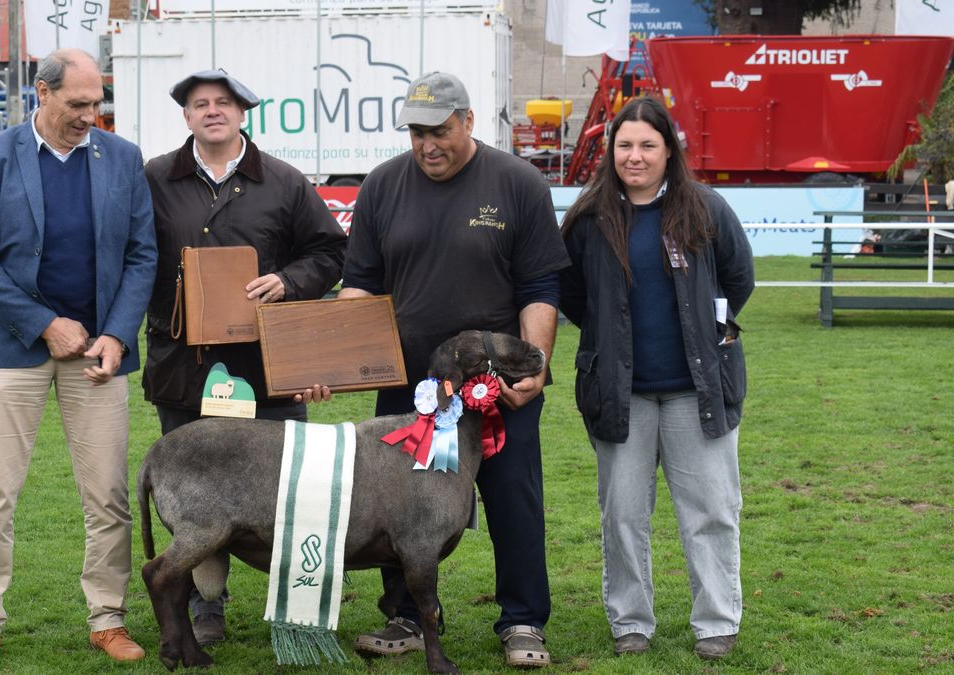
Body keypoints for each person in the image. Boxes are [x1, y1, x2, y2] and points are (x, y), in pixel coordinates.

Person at [301, 71, 570, 669]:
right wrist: (325, 361)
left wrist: (534, 370)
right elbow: (360, 286)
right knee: (399, 505)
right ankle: (407, 614)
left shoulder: (518, 183)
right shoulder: (382, 186)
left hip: (496, 388)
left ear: (468, 121)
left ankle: (523, 619)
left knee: (514, 501)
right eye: (417, 133)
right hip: (408, 386)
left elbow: (539, 288)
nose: (428, 145)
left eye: (440, 131)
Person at [0, 48, 158, 673]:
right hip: (12, 347)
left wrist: (117, 335)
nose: (90, 116)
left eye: (97, 104)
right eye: (77, 104)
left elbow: (141, 256)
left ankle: (108, 618)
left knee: (108, 497)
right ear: (41, 94)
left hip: (97, 354)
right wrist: (44, 324)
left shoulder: (123, 158)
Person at [141, 69, 347, 645]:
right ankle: (206, 604)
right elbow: (132, 255)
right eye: (200, 103)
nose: (212, 111)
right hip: (183, 368)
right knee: (196, 491)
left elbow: (331, 252)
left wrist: (288, 280)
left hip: (269, 369)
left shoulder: (284, 180)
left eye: (223, 103)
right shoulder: (154, 178)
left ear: (242, 112)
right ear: (186, 116)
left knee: (288, 488)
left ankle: (296, 607)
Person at [558, 96, 755, 661]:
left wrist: (705, 331)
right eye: (624, 145)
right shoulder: (589, 218)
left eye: (648, 145)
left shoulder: (706, 209)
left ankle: (716, 621)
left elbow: (738, 279)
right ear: (610, 151)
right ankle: (631, 622)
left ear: (669, 150)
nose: (635, 156)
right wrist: (610, 338)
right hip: (621, 394)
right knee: (622, 515)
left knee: (711, 511)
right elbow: (572, 294)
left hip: (699, 391)